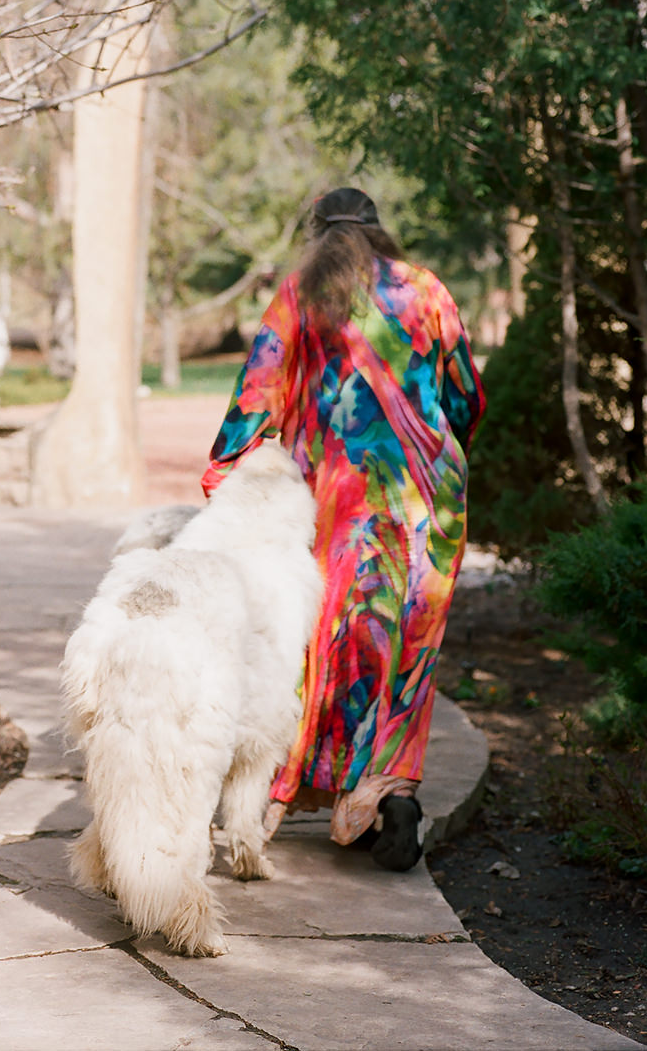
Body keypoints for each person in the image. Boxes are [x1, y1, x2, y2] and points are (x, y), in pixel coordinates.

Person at [201, 187, 484, 871]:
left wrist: (222, 477)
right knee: (403, 654)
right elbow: (466, 396)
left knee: (324, 644)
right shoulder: (427, 291)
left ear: (316, 235)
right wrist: (438, 452)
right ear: (380, 233)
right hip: (427, 501)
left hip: (337, 502)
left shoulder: (300, 297)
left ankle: (284, 793)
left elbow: (254, 397)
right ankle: (391, 794)